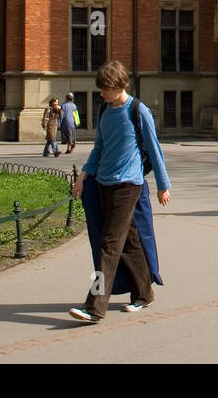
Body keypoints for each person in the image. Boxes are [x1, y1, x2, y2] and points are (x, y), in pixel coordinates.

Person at [70, 60, 171, 322]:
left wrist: (163, 186)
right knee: (129, 243)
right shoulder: (105, 110)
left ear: (119, 86)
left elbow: (155, 150)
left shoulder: (138, 111)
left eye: (105, 89)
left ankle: (94, 307)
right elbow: (98, 150)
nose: (101, 94)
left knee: (109, 245)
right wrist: (83, 177)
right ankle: (144, 293)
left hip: (128, 186)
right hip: (103, 184)